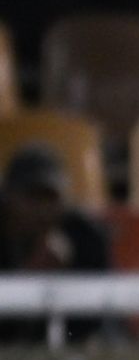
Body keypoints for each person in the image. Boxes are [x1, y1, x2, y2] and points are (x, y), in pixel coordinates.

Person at [0, 145, 112, 343]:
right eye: (32, 198)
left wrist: (63, 278)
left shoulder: (86, 238)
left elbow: (96, 321)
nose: (42, 210)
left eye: (50, 198)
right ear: (8, 196)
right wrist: (29, 277)